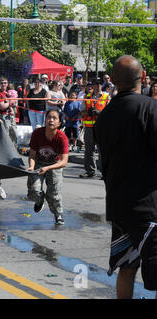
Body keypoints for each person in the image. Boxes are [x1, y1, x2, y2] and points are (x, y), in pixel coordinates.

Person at [93, 55, 157, 299]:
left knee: (127, 268)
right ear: (142, 77)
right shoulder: (150, 108)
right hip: (148, 208)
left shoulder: (104, 116)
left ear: (114, 82)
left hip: (119, 207)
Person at [26, 109, 69, 225]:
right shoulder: (37, 134)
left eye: (54, 118)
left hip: (55, 165)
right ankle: (39, 201)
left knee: (54, 194)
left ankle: (58, 213)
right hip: (38, 163)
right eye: (49, 117)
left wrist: (48, 168)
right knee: (34, 190)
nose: (51, 120)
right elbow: (32, 155)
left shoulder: (62, 137)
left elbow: (64, 162)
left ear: (59, 123)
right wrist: (31, 167)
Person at [79, 79, 110, 178]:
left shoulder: (106, 96)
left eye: (100, 84)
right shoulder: (87, 96)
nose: (98, 86)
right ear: (93, 86)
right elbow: (81, 112)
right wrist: (88, 112)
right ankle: (90, 171)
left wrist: (98, 112)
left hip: (102, 127)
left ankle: (105, 172)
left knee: (103, 150)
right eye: (96, 84)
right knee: (89, 150)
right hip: (89, 127)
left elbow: (110, 111)